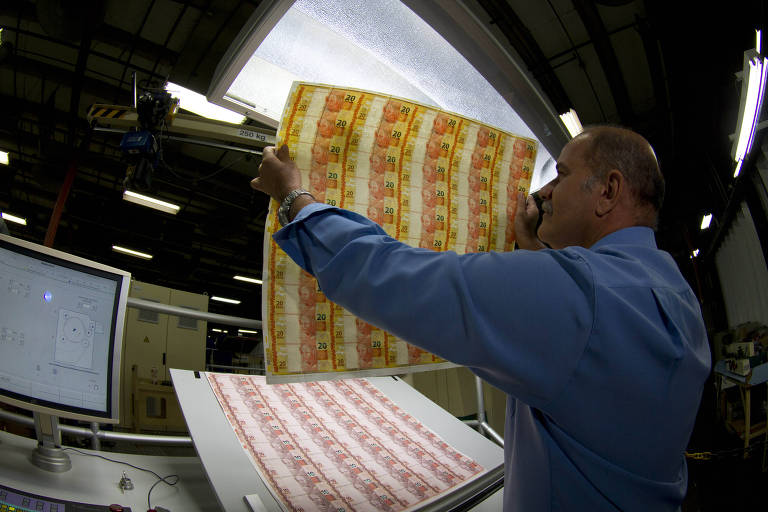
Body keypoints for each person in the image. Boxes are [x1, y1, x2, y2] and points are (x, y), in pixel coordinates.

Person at [250, 125, 710, 511]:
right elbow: (583, 353)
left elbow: (396, 278)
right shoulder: (674, 292)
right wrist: (532, 247)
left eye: (562, 175)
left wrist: (293, 197)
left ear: (607, 191)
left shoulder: (581, 294)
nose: (545, 191)